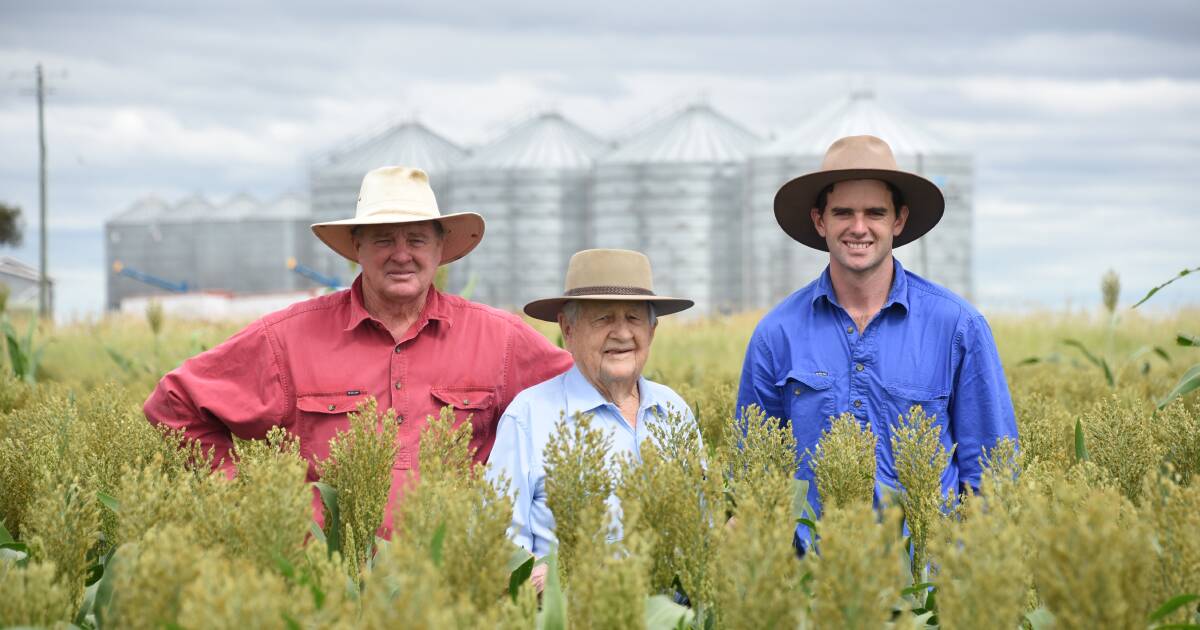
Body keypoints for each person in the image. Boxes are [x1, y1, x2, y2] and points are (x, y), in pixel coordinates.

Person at [144, 165, 573, 531]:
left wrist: (540, 533)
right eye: (384, 239)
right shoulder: (287, 339)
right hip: (328, 582)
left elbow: (586, 403)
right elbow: (174, 405)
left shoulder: (499, 339)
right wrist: (255, 503)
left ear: (440, 249)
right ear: (357, 247)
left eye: (417, 239)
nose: (401, 254)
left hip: (455, 579)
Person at [736, 135, 1018, 551]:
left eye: (875, 212)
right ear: (820, 221)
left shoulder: (957, 326)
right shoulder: (776, 334)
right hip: (813, 585)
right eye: (843, 212)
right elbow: (755, 476)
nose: (859, 227)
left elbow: (992, 474)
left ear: (898, 221)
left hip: (925, 589)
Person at [487, 248, 697, 590]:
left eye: (633, 318)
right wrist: (545, 579)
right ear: (568, 329)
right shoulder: (528, 416)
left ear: (652, 330)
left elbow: (700, 523)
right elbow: (496, 542)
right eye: (603, 319)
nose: (622, 333)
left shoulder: (674, 410)